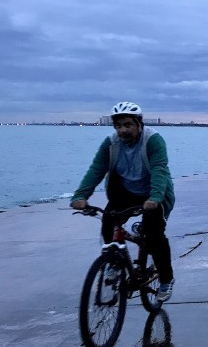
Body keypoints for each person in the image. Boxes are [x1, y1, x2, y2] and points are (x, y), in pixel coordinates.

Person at [71, 101, 176, 302]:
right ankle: (113, 262)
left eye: (128, 125)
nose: (123, 130)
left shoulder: (153, 140)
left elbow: (159, 170)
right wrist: (81, 196)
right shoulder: (110, 144)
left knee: (155, 236)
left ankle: (166, 278)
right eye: (118, 126)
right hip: (125, 192)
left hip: (155, 193)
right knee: (108, 222)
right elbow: (96, 169)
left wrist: (154, 198)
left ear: (139, 123)